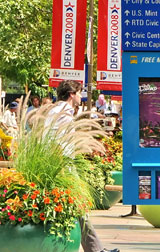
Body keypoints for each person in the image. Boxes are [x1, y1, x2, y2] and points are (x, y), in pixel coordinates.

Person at [49, 80, 119, 252]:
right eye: (80, 93)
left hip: (58, 164)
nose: (81, 97)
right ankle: (95, 249)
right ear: (72, 94)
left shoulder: (54, 110)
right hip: (63, 164)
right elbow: (58, 142)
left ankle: (94, 248)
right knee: (79, 206)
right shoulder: (63, 112)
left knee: (75, 208)